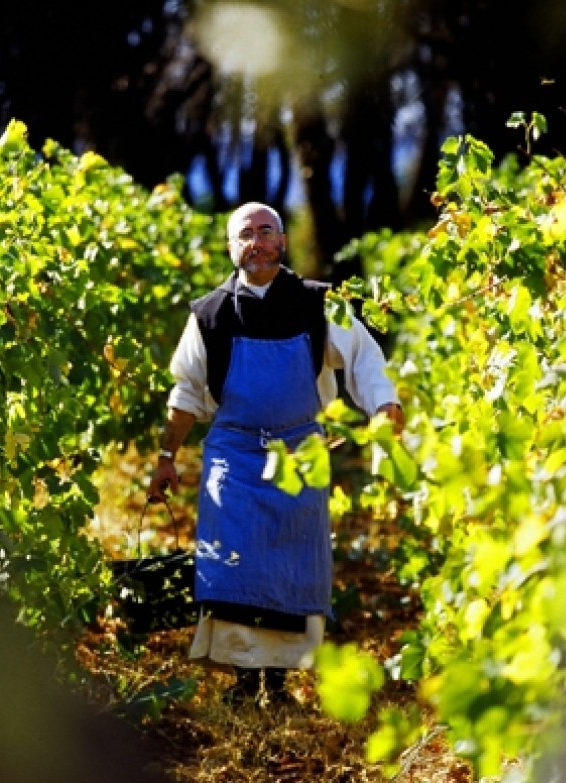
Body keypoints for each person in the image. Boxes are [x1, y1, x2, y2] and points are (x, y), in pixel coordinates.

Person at [147, 201, 404, 708]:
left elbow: (363, 358)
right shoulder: (209, 314)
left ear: (282, 242)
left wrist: (384, 404)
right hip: (233, 453)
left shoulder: (317, 302)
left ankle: (279, 683)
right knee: (233, 564)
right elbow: (185, 393)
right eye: (246, 234)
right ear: (230, 247)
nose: (257, 241)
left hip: (299, 453)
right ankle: (243, 682)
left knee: (290, 565)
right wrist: (165, 456)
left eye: (267, 231)